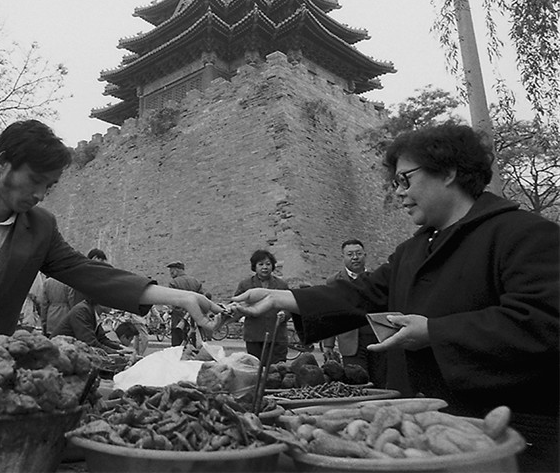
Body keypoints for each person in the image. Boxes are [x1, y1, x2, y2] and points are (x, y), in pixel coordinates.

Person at [232, 123, 559, 473]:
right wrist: (282, 298)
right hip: (414, 441)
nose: (399, 193)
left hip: (504, 440)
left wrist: (435, 331)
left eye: (406, 180)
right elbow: (364, 292)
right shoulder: (413, 250)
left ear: (448, 172)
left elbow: (544, 321)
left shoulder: (525, 234)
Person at [0, 119, 221, 335]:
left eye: (48, 187)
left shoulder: (40, 227)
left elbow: (90, 274)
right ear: (3, 163)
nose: (39, 195)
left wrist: (181, 297)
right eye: (34, 180)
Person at [320, 239, 386, 387]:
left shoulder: (376, 279)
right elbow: (330, 314)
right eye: (350, 254)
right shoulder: (334, 281)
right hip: (350, 341)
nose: (355, 257)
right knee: (356, 381)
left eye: (358, 254)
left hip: (376, 338)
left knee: (381, 381)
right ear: (343, 257)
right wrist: (329, 345)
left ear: (365, 255)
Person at [233, 249, 291, 363]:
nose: (265, 267)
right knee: (256, 367)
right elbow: (237, 304)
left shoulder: (281, 285)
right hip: (255, 334)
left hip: (277, 334)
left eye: (268, 264)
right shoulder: (246, 285)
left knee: (277, 368)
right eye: (261, 264)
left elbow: (289, 305)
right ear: (254, 266)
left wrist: (284, 314)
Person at [53, 298, 128, 353]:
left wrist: (120, 347)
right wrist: (116, 352)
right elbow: (90, 343)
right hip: (59, 352)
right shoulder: (81, 311)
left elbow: (102, 339)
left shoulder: (92, 312)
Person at [165, 261, 203, 346]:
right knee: (193, 344)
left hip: (178, 318)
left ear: (176, 270)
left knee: (177, 347)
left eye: (171, 270)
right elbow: (201, 300)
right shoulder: (196, 281)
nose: (170, 273)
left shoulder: (174, 282)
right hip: (193, 317)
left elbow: (172, 301)